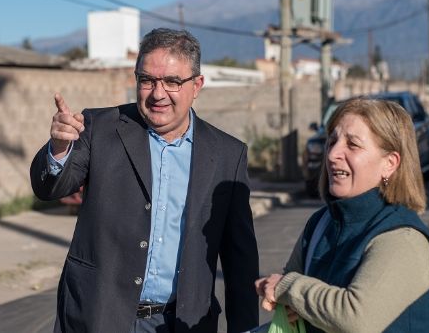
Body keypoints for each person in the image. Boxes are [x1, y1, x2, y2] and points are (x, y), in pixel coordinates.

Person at [30, 28, 260, 333]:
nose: (158, 93)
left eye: (172, 82)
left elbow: (239, 260)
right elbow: (51, 188)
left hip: (185, 323)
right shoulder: (100, 128)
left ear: (197, 85)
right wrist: (60, 148)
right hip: (100, 317)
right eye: (147, 80)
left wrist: (245, 328)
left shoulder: (228, 154)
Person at [255, 97, 429, 332]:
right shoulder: (320, 224)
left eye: (353, 144)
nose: (333, 153)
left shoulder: (404, 239)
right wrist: (287, 298)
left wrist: (288, 289)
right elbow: (291, 299)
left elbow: (356, 319)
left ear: (389, 163)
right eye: (333, 141)